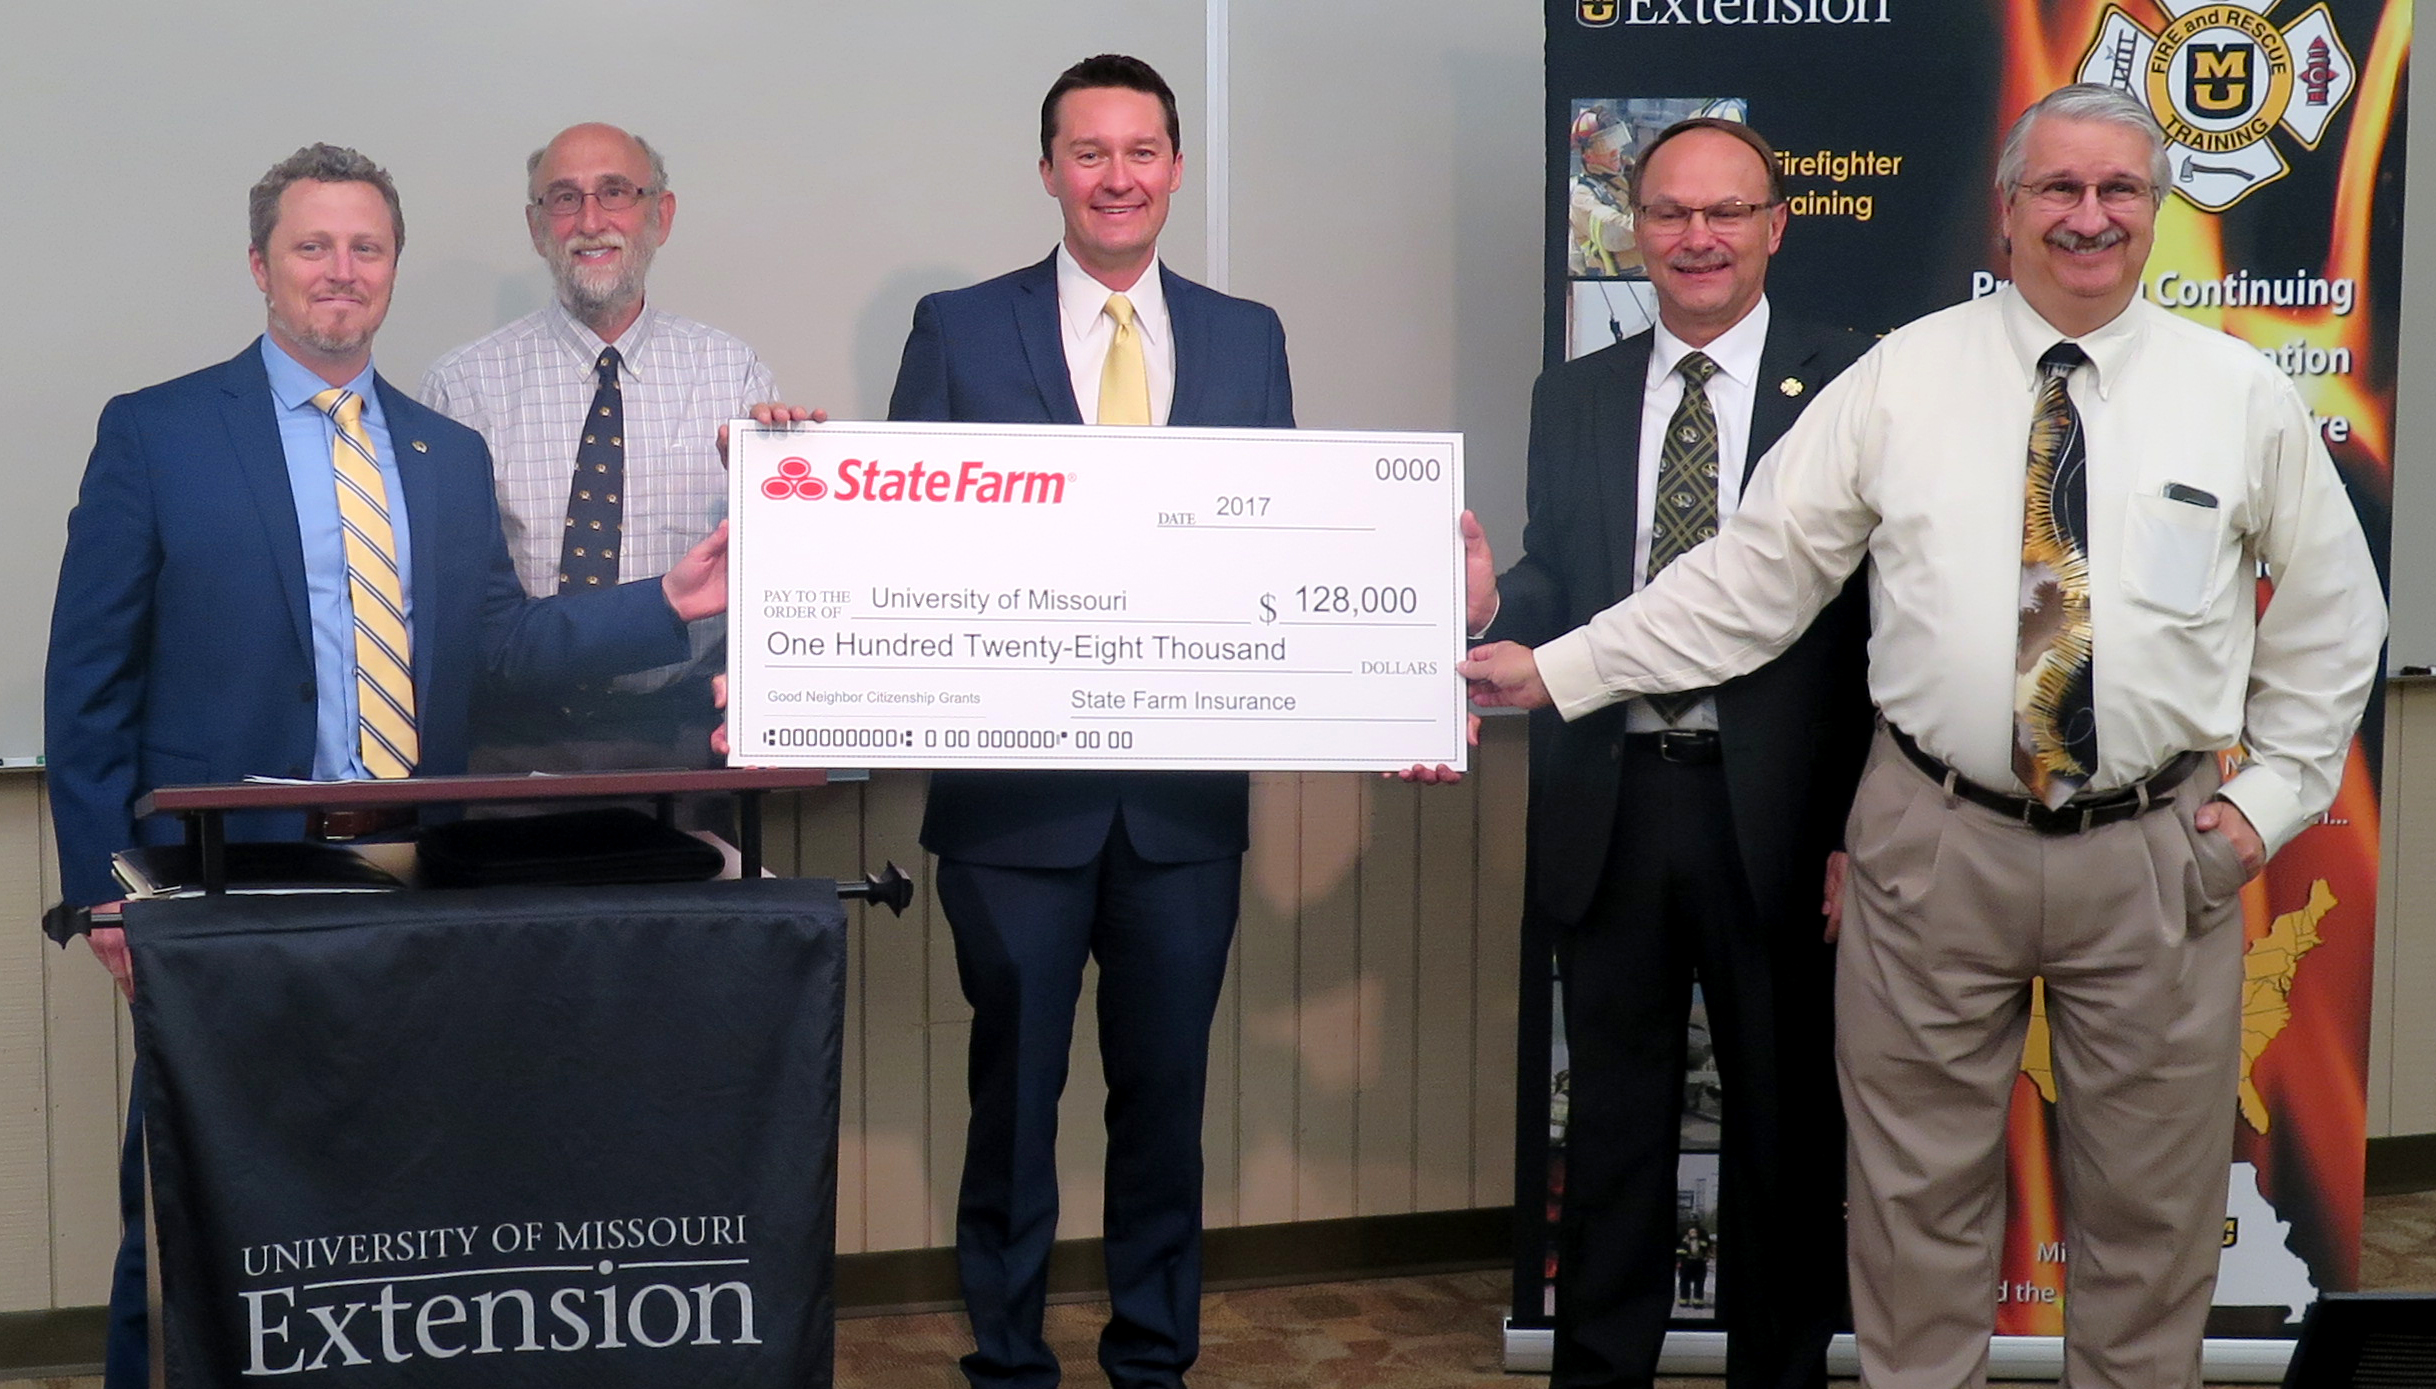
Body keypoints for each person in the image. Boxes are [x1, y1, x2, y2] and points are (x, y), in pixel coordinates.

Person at [1460, 84, 2386, 1389]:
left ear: (2157, 209)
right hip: (1933, 845)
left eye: (2117, 189)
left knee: (2151, 1224)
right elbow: (1745, 589)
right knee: (1913, 1222)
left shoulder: (2237, 395)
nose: (2086, 215)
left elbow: (2339, 620)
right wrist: (1555, 670)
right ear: (2006, 211)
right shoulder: (1900, 378)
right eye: (2055, 188)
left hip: (2157, 856)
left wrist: (2268, 803)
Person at [43, 143, 728, 1389]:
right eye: (313, 246)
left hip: (413, 885)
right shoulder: (157, 433)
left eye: (366, 247)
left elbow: (502, 648)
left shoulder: (442, 454)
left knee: (383, 1198)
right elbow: (87, 682)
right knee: (192, 1187)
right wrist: (105, 889)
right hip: (217, 885)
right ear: (261, 264)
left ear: (394, 268)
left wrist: (668, 602)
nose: (341, 271)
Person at [886, 53, 1292, 1389]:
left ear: (1176, 167)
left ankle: (1153, 1355)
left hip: (1183, 807)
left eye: (1142, 151)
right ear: (1049, 168)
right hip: (1013, 808)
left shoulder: (1248, 337)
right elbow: (899, 535)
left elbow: (1279, 548)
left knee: (1165, 1097)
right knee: (1012, 1102)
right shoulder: (958, 325)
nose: (1117, 176)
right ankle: (1006, 1357)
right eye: (1089, 151)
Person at [1465, 116, 1868, 1389]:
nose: (1698, 238)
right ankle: (1598, 1373)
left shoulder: (1850, 385)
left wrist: (1864, 829)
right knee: (1617, 1140)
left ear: (1774, 227)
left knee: (1783, 1139)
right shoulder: (1573, 393)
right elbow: (1562, 579)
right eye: (1671, 214)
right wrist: (1493, 601)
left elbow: (1877, 632)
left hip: (1786, 825)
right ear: (1633, 230)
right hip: (1612, 804)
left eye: (1727, 213)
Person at [423, 123, 772, 775]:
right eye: (563, 198)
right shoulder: (461, 386)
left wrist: (799, 479)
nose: (590, 220)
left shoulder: (734, 375)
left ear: (660, 215)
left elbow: (772, 580)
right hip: (509, 744)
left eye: (615, 193)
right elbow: (451, 609)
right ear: (535, 226)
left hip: (679, 745)